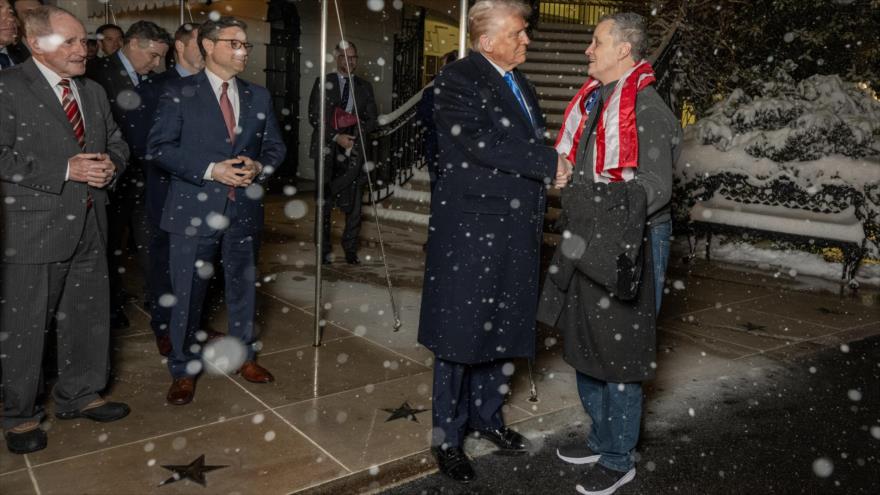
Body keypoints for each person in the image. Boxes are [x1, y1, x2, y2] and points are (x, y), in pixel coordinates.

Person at [417, 0, 572, 483]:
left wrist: (546, 167)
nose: (527, 41)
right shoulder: (458, 79)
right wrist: (549, 163)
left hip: (512, 228)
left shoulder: (516, 80)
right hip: (471, 230)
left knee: (503, 325)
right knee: (459, 334)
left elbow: (510, 147)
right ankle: (449, 437)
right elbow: (482, 144)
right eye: (519, 34)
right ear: (487, 41)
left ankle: (489, 418)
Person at [543, 12, 681, 495]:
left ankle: (619, 455)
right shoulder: (597, 101)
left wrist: (592, 194)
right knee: (582, 337)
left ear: (624, 50)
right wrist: (572, 178)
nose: (588, 50)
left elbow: (654, 189)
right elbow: (592, 170)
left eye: (596, 41)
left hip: (630, 241)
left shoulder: (647, 110)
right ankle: (602, 438)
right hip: (586, 233)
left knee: (619, 347)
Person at [0, 5, 131, 455]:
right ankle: (19, 414)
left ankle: (80, 394)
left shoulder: (91, 91)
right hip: (33, 228)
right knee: (25, 323)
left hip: (92, 221)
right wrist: (64, 169)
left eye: (84, 41)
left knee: (88, 313)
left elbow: (115, 139)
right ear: (37, 44)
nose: (84, 50)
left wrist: (112, 163)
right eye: (72, 42)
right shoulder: (7, 88)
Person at [147, 16, 286, 406]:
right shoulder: (179, 93)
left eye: (246, 45)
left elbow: (275, 148)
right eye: (234, 43)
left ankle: (245, 356)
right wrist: (212, 170)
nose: (243, 51)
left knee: (243, 289)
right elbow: (160, 148)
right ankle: (183, 368)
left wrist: (259, 167)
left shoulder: (259, 96)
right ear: (208, 46)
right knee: (188, 295)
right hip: (193, 210)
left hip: (243, 211)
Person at [87, 20, 171, 331]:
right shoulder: (96, 72)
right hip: (112, 174)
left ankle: (157, 296)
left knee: (149, 238)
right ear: (133, 44)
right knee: (110, 243)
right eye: (153, 55)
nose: (157, 63)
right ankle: (110, 304)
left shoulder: (153, 79)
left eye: (161, 57)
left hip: (146, 174)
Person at [130, 22, 205, 357]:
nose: (206, 53)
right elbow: (144, 145)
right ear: (180, 46)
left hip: (209, 191)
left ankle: (194, 324)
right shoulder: (154, 88)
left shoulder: (217, 86)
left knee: (202, 262)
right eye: (200, 45)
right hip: (167, 190)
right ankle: (164, 326)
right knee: (164, 261)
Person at [308, 40, 378, 265]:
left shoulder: (364, 86)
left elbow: (372, 119)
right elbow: (314, 116)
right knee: (324, 201)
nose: (350, 61)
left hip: (354, 150)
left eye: (354, 57)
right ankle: (324, 250)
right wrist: (336, 136)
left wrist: (354, 133)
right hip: (327, 147)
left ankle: (350, 249)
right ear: (336, 58)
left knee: (355, 204)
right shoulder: (323, 82)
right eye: (345, 57)